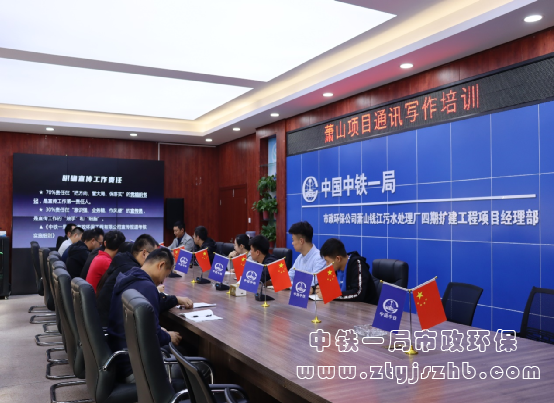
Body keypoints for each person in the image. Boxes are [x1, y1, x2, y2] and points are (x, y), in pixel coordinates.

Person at [107, 248, 193, 383]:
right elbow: (152, 337)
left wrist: (175, 300)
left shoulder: (130, 277)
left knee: (181, 350)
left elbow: (147, 324)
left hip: (120, 359)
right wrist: (167, 336)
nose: (163, 282)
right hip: (136, 368)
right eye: (166, 275)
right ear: (161, 265)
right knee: (200, 369)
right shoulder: (147, 287)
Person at [96, 234, 178, 326]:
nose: (155, 258)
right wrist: (175, 300)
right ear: (144, 253)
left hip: (108, 326)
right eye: (154, 255)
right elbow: (150, 311)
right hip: (110, 326)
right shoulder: (135, 275)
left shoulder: (125, 265)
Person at [317, 238, 376, 302]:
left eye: (328, 261)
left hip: (365, 307)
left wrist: (331, 295)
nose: (326, 264)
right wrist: (314, 289)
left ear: (338, 259)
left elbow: (358, 293)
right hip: (343, 306)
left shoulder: (357, 264)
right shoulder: (335, 267)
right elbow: (323, 285)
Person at [288, 221, 327, 288]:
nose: (292, 243)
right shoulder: (300, 257)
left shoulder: (319, 258)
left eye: (293, 240)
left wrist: (290, 284)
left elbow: (311, 284)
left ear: (301, 241)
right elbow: (288, 277)